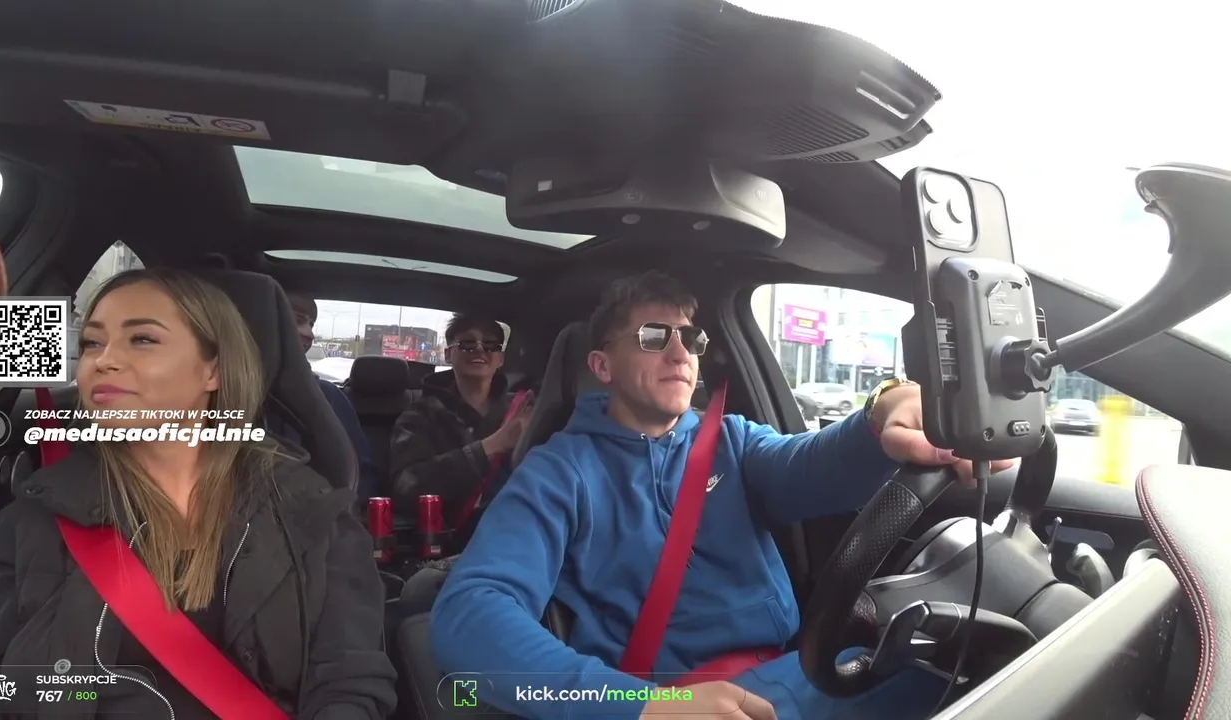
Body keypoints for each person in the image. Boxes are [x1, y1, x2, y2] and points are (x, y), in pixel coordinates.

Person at [429, 271, 1013, 720]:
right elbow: (468, 614)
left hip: (801, 674)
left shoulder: (734, 441)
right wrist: (638, 706)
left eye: (691, 338)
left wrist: (882, 411)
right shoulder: (558, 472)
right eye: (654, 336)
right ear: (602, 365)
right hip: (672, 702)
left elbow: (815, 464)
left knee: (984, 669)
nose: (680, 353)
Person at [0, 268, 398, 719]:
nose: (104, 360)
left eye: (142, 339)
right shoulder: (38, 518)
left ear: (213, 370)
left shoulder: (311, 515)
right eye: (91, 343)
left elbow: (349, 682)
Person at [390, 313, 529, 612]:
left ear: (501, 358)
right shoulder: (419, 416)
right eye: (467, 344)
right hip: (447, 550)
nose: (479, 350)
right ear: (448, 354)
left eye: (490, 345)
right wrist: (492, 446)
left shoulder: (523, 412)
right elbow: (407, 487)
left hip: (517, 543)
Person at [284, 291, 380, 502]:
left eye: (311, 324)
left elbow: (362, 479)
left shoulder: (328, 398)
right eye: (298, 321)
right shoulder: (221, 393)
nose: (310, 334)